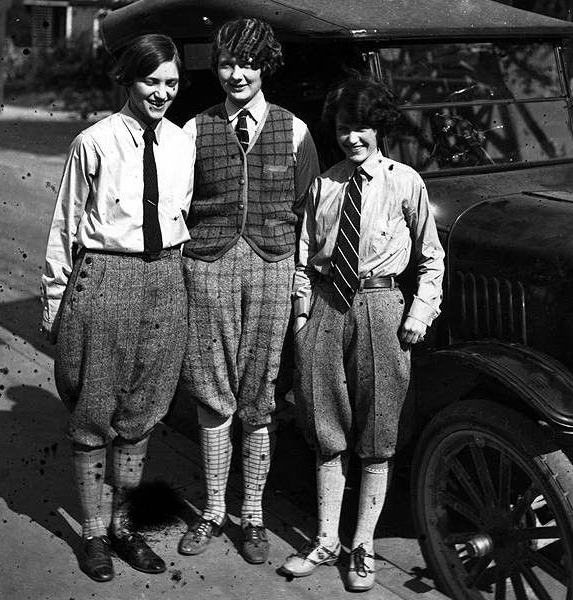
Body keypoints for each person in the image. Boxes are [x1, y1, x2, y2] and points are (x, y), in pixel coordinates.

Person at [40, 34, 195, 582]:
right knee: (93, 413)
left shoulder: (183, 142)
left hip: (165, 279)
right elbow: (65, 225)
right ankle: (92, 534)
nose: (160, 93)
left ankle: (123, 527)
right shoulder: (94, 142)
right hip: (106, 277)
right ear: (128, 80)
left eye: (171, 83)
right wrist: (56, 299)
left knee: (142, 414)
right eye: (150, 81)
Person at [280, 77, 445, 592]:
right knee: (327, 430)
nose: (353, 137)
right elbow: (303, 258)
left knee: (377, 435)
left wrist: (419, 313)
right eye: (345, 128)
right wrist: (304, 321)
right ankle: (326, 538)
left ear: (381, 128)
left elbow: (431, 257)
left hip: (381, 307)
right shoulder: (325, 184)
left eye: (363, 127)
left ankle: (362, 547)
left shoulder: (405, 182)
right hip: (328, 308)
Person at [177, 17, 319, 565]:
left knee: (259, 394)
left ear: (266, 68)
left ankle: (253, 515)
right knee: (213, 391)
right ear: (216, 68)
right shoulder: (195, 128)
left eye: (249, 64)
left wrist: (300, 281)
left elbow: (308, 212)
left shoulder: (296, 129)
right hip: (207, 266)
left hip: (273, 267)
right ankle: (214, 509)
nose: (238, 74)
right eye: (228, 64)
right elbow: (177, 204)